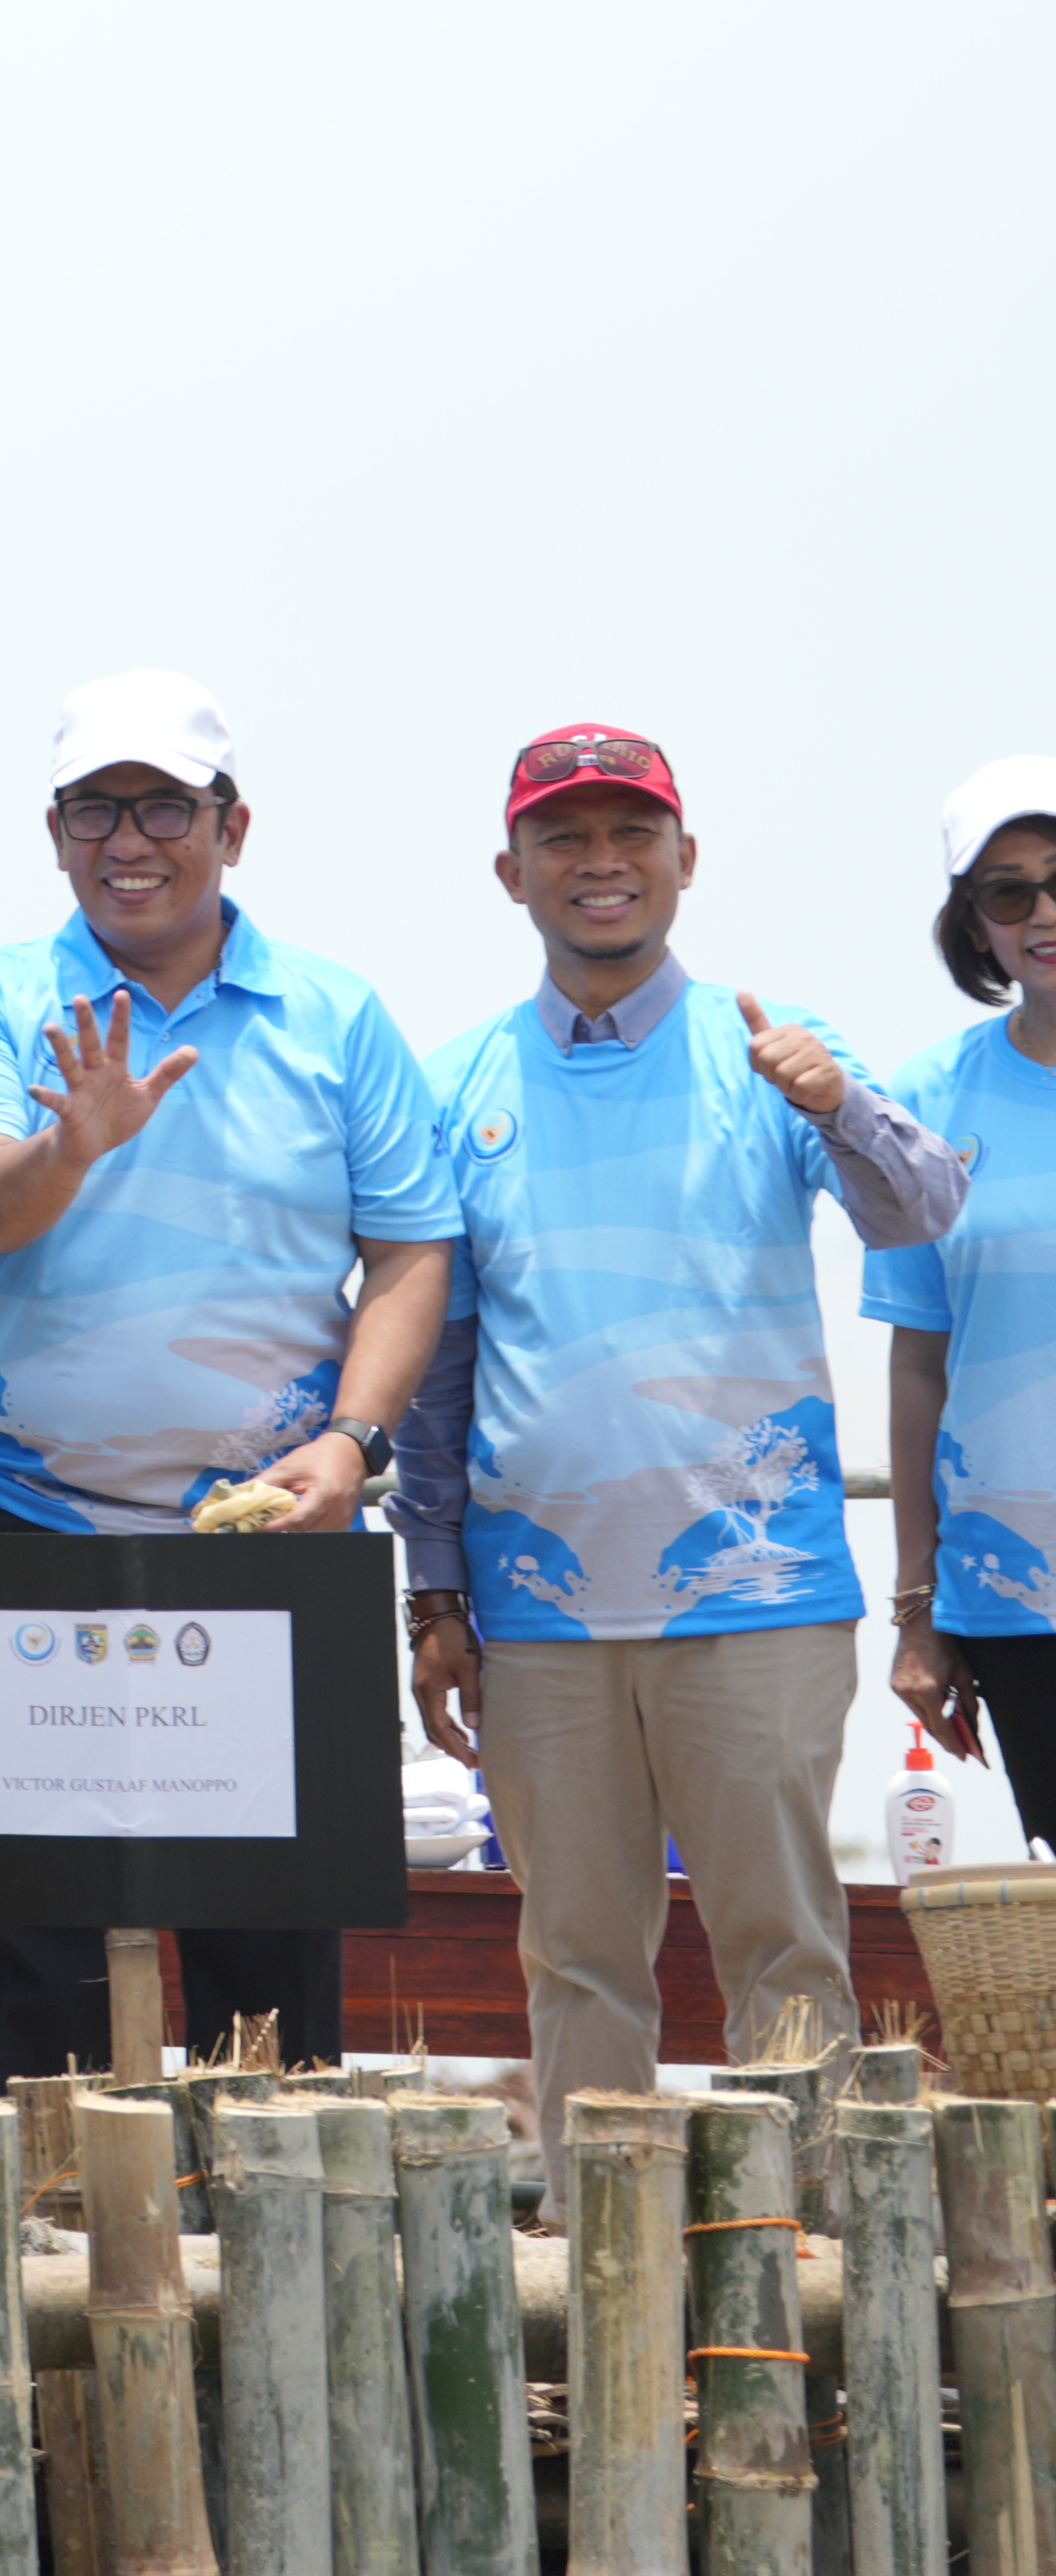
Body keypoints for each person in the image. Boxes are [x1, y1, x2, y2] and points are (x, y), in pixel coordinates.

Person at [397, 724, 960, 2114]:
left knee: (784, 1946)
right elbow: (438, 1367)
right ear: (509, 871)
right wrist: (433, 1596)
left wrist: (842, 1112)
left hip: (756, 1599)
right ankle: (609, 2267)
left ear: (684, 860)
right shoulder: (457, 1080)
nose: (602, 864)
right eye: (565, 839)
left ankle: (820, 2251)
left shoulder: (772, 1050)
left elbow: (926, 1209)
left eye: (631, 834)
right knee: (577, 1959)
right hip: (540, 1613)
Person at [0, 665, 454, 2077]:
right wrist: (68, 1148)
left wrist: (353, 1444)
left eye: (163, 806)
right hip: (23, 1535)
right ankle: (37, 2259)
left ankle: (267, 2264)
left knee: (263, 1988)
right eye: (96, 809)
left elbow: (407, 1252)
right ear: (55, 831)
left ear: (234, 825)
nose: (128, 840)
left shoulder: (334, 1014)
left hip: (269, 1542)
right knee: (31, 1982)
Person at [878, 753, 1056, 1839]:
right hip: (1017, 1601)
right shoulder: (928, 1101)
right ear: (975, 924)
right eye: (1010, 890)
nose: (1046, 911)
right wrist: (916, 1610)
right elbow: (917, 1366)